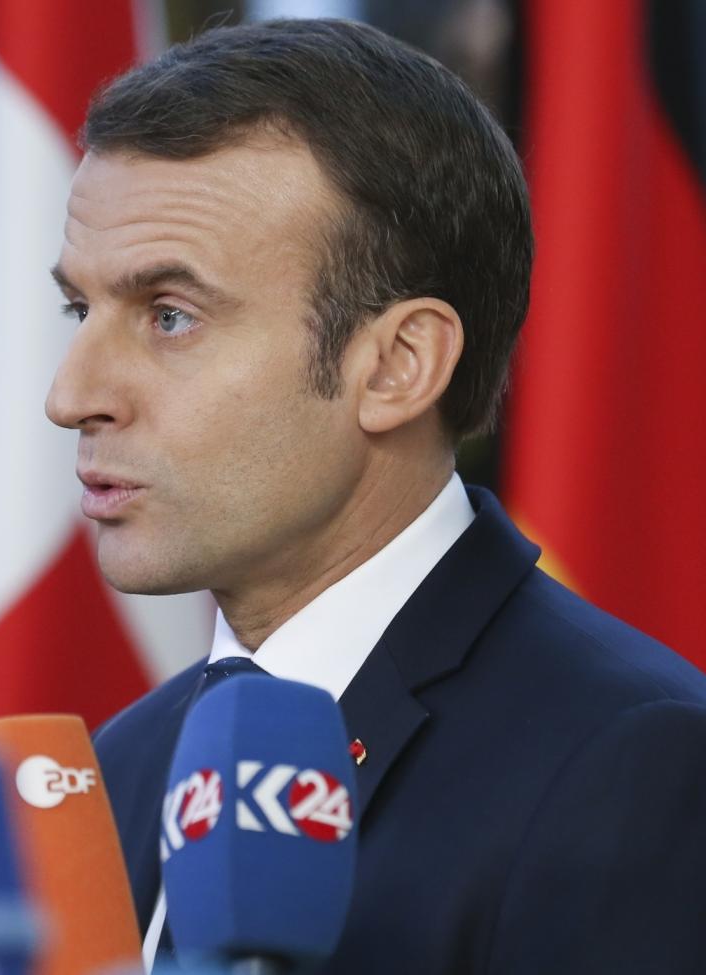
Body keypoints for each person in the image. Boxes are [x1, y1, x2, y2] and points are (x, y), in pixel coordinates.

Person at [46, 19, 706, 973]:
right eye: (79, 308)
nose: (70, 395)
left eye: (171, 316)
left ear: (398, 365)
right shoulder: (126, 763)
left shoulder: (631, 768)